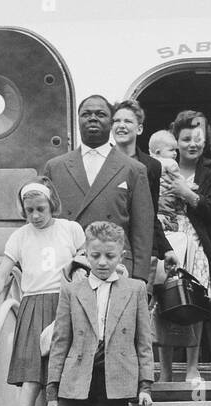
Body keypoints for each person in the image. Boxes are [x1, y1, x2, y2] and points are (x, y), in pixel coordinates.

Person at [0, 178, 84, 406]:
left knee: (63, 374)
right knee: (31, 378)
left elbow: (85, 258)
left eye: (40, 209)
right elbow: (2, 273)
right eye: (29, 210)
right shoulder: (20, 237)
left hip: (64, 303)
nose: (35, 216)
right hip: (33, 304)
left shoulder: (70, 228)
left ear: (51, 204)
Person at [46, 220, 155, 406]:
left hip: (116, 379)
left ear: (122, 256)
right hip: (76, 378)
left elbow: (144, 343)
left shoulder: (135, 289)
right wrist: (52, 388)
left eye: (110, 255)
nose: (103, 262)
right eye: (95, 255)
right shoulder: (72, 290)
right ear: (85, 254)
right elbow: (61, 341)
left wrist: (145, 386)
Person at [43, 95, 154, 280]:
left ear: (111, 122)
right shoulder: (55, 167)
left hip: (116, 267)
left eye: (100, 114)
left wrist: (140, 279)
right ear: (77, 120)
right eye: (86, 114)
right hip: (67, 268)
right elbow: (43, 224)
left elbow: (142, 230)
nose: (92, 118)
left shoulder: (134, 169)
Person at [154, 109, 211, 382]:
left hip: (196, 242)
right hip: (167, 241)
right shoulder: (159, 165)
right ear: (176, 140)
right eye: (185, 139)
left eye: (197, 138)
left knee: (194, 302)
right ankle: (167, 370)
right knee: (163, 302)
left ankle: (193, 367)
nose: (192, 144)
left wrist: (188, 194)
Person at [110, 98, 173, 273]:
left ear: (139, 128)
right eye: (116, 121)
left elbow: (150, 214)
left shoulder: (152, 166)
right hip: (108, 249)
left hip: (143, 251)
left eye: (127, 121)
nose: (121, 125)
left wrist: (166, 248)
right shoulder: (102, 161)